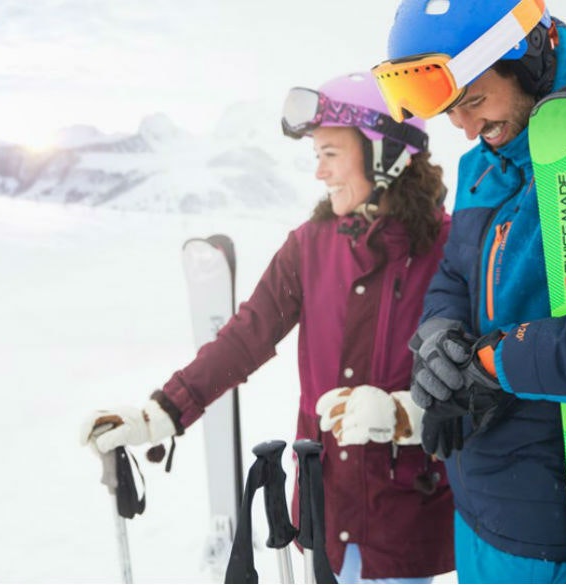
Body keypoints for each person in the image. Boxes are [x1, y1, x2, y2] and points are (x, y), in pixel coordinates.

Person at [80, 71, 455, 583]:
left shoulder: (447, 248)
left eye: (330, 153)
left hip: (404, 514)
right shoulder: (311, 245)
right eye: (316, 155)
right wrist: (162, 410)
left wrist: (406, 414)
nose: (319, 172)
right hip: (326, 509)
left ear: (386, 154)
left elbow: (473, 369)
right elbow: (246, 336)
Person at [371, 1, 566, 583]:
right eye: (450, 110)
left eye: (475, 100)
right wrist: (439, 337)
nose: (464, 128)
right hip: (482, 511)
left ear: (529, 59)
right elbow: (455, 275)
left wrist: (492, 364)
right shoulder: (482, 167)